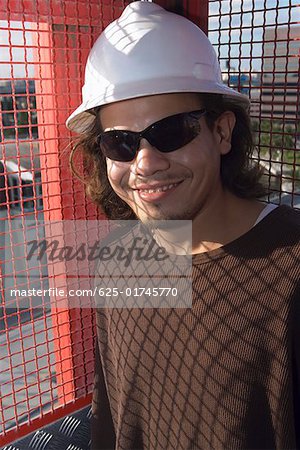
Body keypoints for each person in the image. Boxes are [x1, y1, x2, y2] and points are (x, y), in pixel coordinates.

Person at [66, 2, 300, 449]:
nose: (146, 163)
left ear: (223, 131)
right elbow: (112, 420)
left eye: (172, 131)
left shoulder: (292, 266)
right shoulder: (119, 259)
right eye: (121, 142)